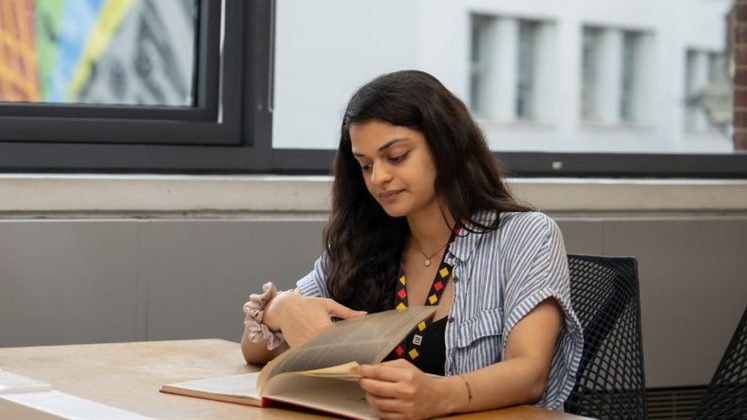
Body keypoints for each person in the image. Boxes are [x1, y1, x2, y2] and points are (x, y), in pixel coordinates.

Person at [241, 69, 583, 419]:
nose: (379, 178)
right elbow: (253, 351)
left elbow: (530, 374)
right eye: (365, 165)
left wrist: (440, 395)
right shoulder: (363, 242)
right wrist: (280, 308)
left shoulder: (525, 236)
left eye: (397, 156)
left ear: (445, 145)